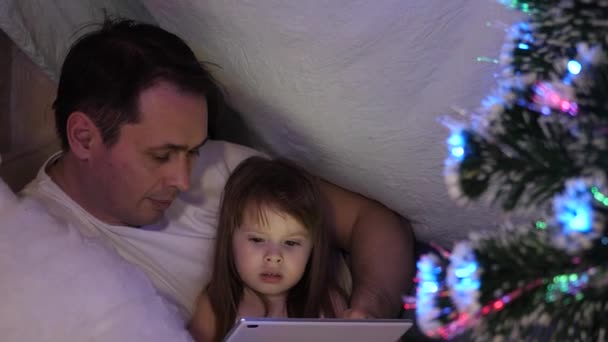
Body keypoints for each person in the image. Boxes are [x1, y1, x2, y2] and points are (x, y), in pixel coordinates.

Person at [20, 17, 414, 327]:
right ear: (85, 138)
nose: (185, 180)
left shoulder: (222, 167)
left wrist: (370, 310)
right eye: (162, 155)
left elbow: (373, 221)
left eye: (192, 150)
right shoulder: (38, 248)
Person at [189, 156, 349, 341]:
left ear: (312, 249)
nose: (274, 256)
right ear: (229, 239)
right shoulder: (215, 307)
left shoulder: (328, 304)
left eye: (290, 243)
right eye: (257, 239)